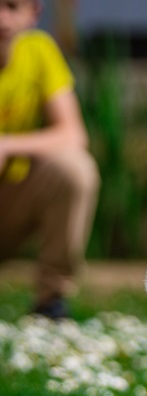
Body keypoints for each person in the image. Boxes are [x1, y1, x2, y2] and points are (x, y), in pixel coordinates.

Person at [0, 0, 99, 319]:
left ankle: (51, 301)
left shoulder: (40, 51)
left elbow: (74, 134)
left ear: (33, 13)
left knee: (75, 170)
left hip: (12, 203)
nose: (1, 18)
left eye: (11, 6)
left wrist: (7, 145)